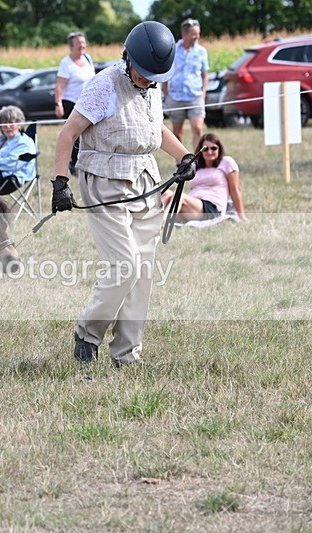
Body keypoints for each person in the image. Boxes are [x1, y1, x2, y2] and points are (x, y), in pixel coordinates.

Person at [51, 21, 196, 368]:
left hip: (145, 179)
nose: (149, 81)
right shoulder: (104, 85)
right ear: (128, 57)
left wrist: (184, 156)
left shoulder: (152, 83)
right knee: (124, 265)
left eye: (154, 76)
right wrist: (59, 182)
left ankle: (127, 353)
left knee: (143, 270)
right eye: (145, 74)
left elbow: (154, 128)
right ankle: (88, 332)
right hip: (104, 179)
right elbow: (68, 134)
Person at [161, 133, 247, 222]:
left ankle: (162, 223)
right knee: (166, 194)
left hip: (212, 207)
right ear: (201, 150)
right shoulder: (197, 167)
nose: (209, 152)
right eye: (206, 149)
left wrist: (242, 216)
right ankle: (149, 221)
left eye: (213, 148)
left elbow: (235, 190)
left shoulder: (227, 162)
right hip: (193, 205)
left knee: (178, 196)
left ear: (219, 149)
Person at [55, 31, 97, 176]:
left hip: (89, 103)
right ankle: (73, 164)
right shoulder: (66, 63)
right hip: (71, 103)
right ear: (71, 46)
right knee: (74, 134)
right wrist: (58, 103)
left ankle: (87, 160)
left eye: (83, 43)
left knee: (89, 133)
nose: (82, 46)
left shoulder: (88, 59)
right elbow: (59, 85)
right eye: (79, 44)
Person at [163, 18, 209, 149]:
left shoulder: (201, 51)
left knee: (198, 128)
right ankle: (181, 163)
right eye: (194, 34)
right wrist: (166, 94)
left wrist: (203, 93)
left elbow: (205, 75)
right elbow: (166, 74)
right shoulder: (173, 50)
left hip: (195, 96)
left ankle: (197, 161)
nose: (197, 37)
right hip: (176, 96)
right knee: (177, 133)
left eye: (198, 33)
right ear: (184, 34)